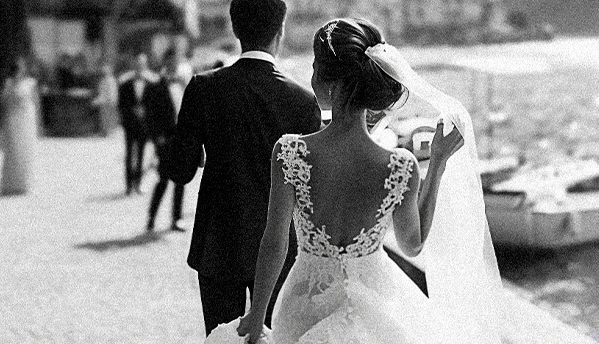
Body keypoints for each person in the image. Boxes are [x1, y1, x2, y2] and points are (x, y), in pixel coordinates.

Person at [220, 18, 521, 344]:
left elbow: (274, 242)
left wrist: (256, 315)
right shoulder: (400, 165)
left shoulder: (290, 152)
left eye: (314, 65)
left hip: (306, 302)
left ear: (328, 80)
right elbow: (412, 244)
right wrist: (437, 164)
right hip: (378, 301)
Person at [167, 0, 321, 334]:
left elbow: (179, 171)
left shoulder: (203, 88)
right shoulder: (302, 100)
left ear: (235, 31)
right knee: (276, 338)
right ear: (280, 32)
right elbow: (310, 188)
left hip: (217, 242)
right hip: (281, 245)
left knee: (221, 338)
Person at [145, 48, 190, 232]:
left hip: (181, 137)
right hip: (165, 140)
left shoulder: (183, 83)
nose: (174, 64)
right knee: (163, 180)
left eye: (176, 61)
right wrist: (157, 139)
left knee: (180, 180)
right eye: (171, 61)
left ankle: (176, 219)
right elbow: (151, 116)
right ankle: (151, 217)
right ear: (165, 62)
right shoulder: (156, 86)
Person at [0, 56, 39, 195]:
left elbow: (35, 103)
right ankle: (12, 184)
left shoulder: (30, 83)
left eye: (21, 68)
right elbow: (4, 101)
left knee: (25, 151)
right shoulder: (8, 83)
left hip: (26, 121)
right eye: (17, 69)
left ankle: (24, 183)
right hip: (13, 119)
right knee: (13, 151)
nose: (19, 71)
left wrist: (38, 126)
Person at [116, 52, 154, 195]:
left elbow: (153, 104)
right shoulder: (125, 83)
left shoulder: (150, 83)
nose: (139, 67)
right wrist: (132, 111)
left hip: (143, 125)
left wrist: (146, 113)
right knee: (129, 154)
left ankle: (138, 183)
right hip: (130, 124)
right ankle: (128, 185)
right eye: (137, 64)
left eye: (142, 64)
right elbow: (121, 104)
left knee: (141, 154)